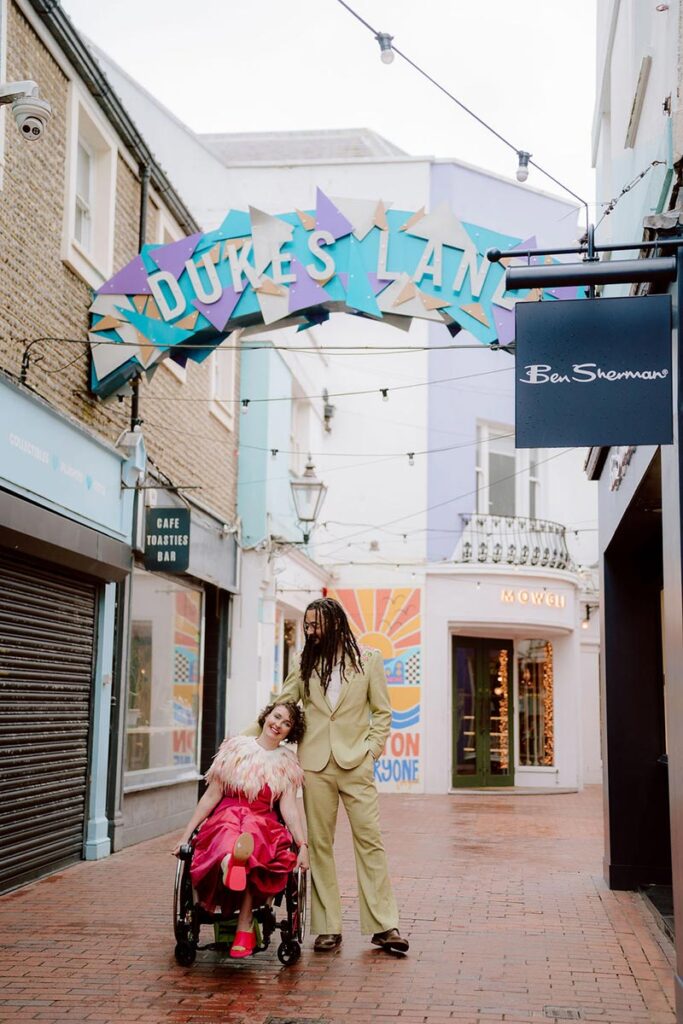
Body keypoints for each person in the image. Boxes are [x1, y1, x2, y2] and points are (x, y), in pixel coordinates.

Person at [246, 597, 408, 955]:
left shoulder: (369, 660)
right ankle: (327, 926)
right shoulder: (305, 664)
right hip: (315, 765)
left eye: (315, 624)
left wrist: (372, 751)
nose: (310, 631)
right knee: (319, 845)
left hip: (356, 764)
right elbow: (283, 703)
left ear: (334, 623)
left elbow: (382, 712)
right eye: (307, 625)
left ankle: (384, 926)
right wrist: (246, 738)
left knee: (370, 840)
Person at [173, 701, 309, 959]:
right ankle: (230, 866)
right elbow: (211, 796)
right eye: (276, 717)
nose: (278, 724)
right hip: (226, 813)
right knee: (229, 828)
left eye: (286, 723)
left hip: (263, 820)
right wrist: (185, 835)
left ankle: (235, 864)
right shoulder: (235, 749)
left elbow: (289, 808)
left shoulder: (286, 763)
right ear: (266, 715)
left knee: (253, 836)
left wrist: (303, 845)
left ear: (290, 732)